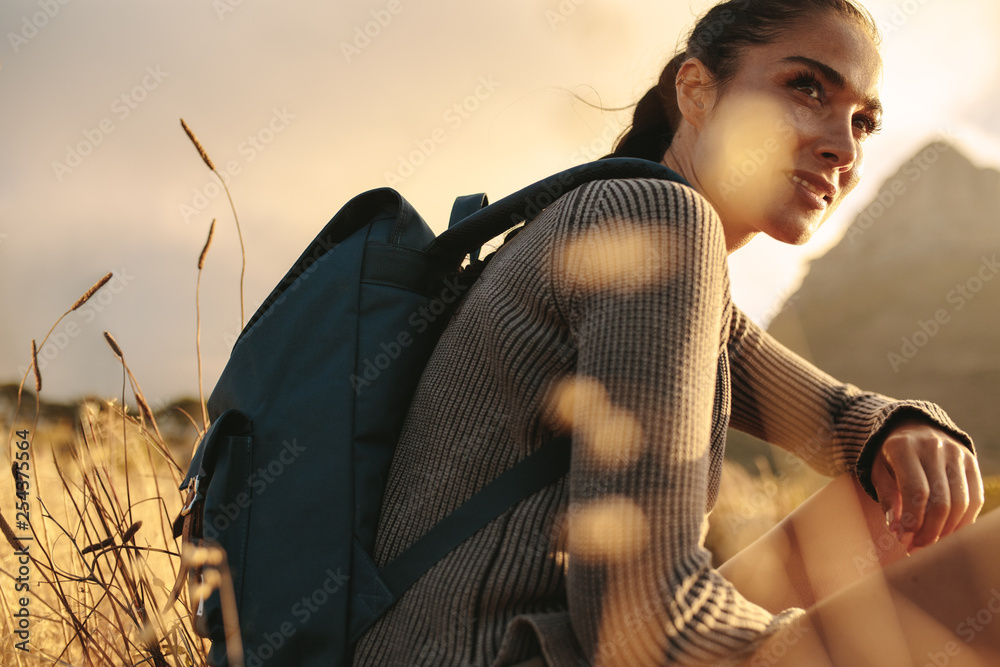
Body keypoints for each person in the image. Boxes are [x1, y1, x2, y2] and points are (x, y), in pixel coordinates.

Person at [352, 1, 986, 665]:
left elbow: (840, 419)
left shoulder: (628, 231)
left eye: (863, 121)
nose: (844, 145)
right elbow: (644, 623)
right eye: (806, 87)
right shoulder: (659, 219)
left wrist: (904, 426)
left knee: (892, 485)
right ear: (695, 90)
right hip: (497, 652)